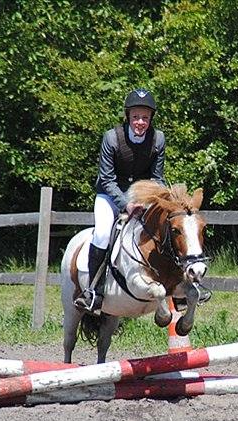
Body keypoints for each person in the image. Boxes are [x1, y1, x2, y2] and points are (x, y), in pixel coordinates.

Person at [74, 88, 166, 314]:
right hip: (109, 196)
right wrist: (126, 204)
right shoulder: (112, 138)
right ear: (128, 116)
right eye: (136, 117)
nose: (140, 122)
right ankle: (93, 292)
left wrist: (158, 199)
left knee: (163, 229)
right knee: (104, 233)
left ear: (150, 118)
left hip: (141, 198)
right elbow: (106, 179)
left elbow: (157, 178)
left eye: (145, 117)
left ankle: (175, 284)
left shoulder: (158, 139)